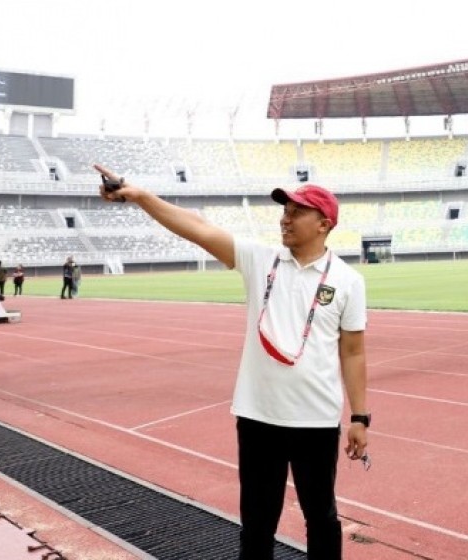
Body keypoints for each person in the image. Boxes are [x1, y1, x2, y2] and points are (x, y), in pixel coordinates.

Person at [94, 163, 369, 560]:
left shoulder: (347, 281)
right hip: (258, 417)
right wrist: (139, 196)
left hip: (316, 420)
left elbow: (353, 351)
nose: (285, 218)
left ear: (324, 224)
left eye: (296, 212)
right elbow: (198, 229)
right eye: (284, 210)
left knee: (321, 518)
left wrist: (360, 417)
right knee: (257, 521)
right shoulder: (262, 260)